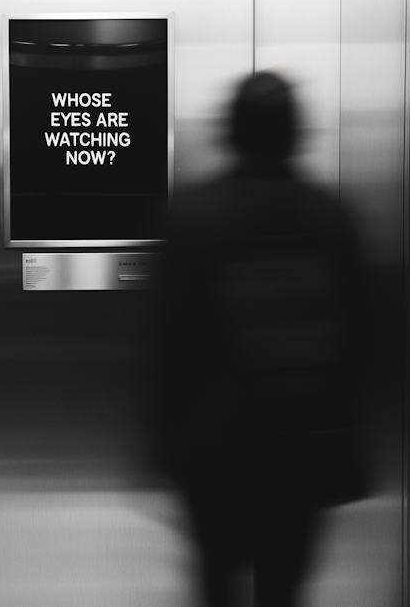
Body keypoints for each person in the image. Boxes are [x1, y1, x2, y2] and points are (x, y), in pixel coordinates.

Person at [153, 71, 366, 607]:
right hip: (302, 447)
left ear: (231, 132)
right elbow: (360, 345)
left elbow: (170, 345)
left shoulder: (194, 216)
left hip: (215, 448)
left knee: (217, 584)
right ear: (296, 132)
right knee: (282, 588)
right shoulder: (330, 218)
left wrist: (163, 445)